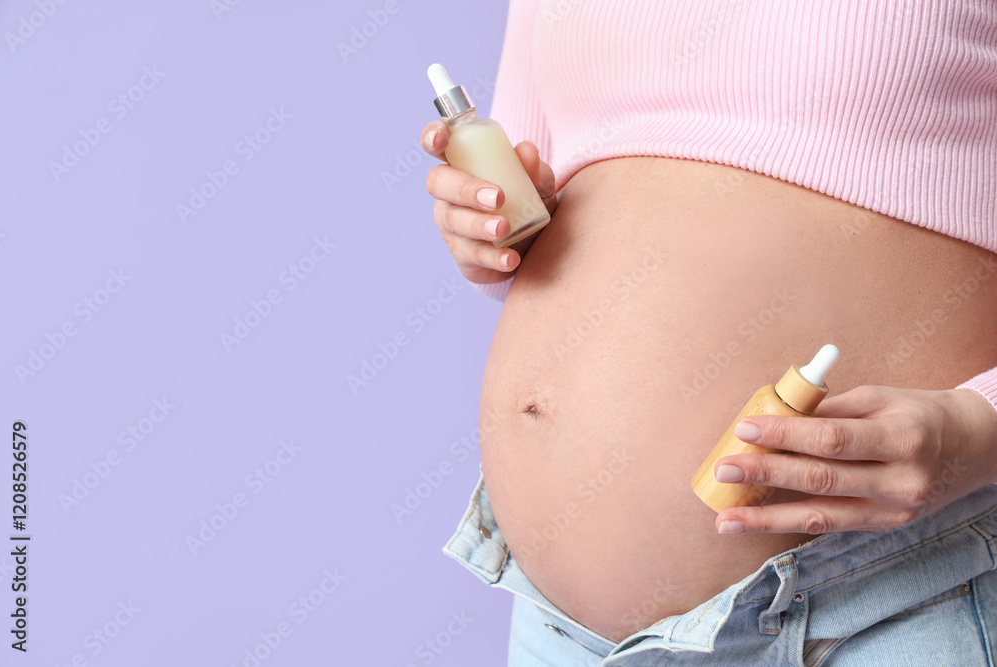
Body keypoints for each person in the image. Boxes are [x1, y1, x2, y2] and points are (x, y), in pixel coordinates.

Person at [421, 1, 997, 664]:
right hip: (560, 632)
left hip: (868, 605)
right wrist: (487, 230)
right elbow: (533, 212)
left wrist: (978, 427)